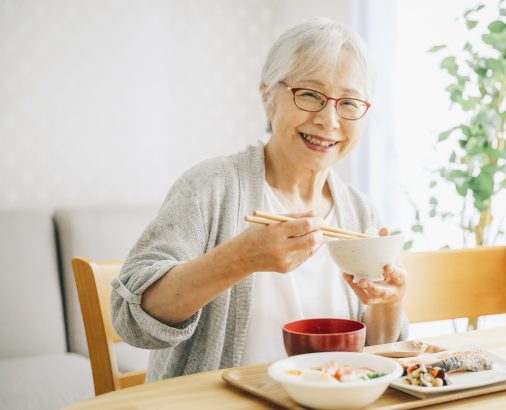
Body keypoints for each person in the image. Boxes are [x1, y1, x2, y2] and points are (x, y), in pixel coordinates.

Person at [111, 17, 409, 381]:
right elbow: (131, 320)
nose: (329, 120)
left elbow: (372, 362)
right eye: (311, 95)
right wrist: (239, 259)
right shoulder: (210, 188)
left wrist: (390, 304)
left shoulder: (360, 213)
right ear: (269, 98)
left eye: (349, 103)